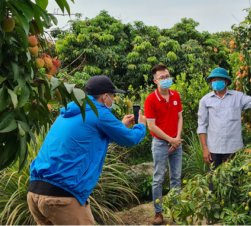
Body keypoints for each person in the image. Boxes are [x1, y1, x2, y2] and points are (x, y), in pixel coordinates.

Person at [27, 75, 147, 226]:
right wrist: (141, 125)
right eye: (113, 96)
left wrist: (121, 126)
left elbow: (91, 140)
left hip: (36, 193)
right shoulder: (100, 113)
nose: (113, 99)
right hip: (62, 197)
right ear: (105, 97)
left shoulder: (71, 111)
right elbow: (131, 139)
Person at [198, 67, 251, 175]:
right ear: (210, 83)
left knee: (233, 181)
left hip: (234, 148)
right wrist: (205, 149)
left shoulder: (238, 97)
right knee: (213, 182)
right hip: (213, 148)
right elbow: (201, 125)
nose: (216, 82)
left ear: (226, 82)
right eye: (213, 80)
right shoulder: (205, 100)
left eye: (219, 80)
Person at [144, 64, 183, 226]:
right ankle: (158, 212)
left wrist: (177, 138)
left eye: (167, 76)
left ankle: (175, 210)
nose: (166, 79)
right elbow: (151, 126)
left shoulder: (175, 95)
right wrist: (170, 140)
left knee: (176, 178)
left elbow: (180, 118)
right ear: (155, 81)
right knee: (158, 178)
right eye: (162, 78)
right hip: (160, 144)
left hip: (176, 142)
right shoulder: (151, 100)